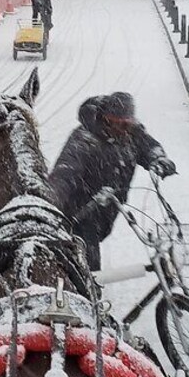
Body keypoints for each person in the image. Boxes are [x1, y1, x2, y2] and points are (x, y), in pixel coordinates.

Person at [49, 93, 177, 271]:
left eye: (129, 124)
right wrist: (52, 202)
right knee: (88, 266)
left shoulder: (130, 134)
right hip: (80, 213)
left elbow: (148, 146)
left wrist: (158, 159)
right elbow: (63, 174)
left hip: (105, 211)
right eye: (121, 124)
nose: (126, 129)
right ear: (106, 120)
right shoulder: (84, 140)